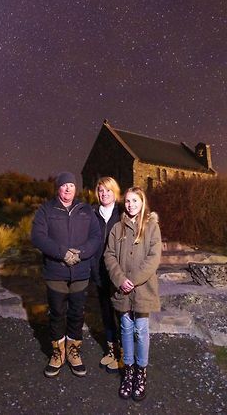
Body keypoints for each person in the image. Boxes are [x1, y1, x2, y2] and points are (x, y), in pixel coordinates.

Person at [31, 171, 100, 378]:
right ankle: (57, 353)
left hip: (80, 271)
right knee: (57, 313)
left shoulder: (86, 210)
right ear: (58, 188)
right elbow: (38, 237)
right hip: (56, 272)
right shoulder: (46, 210)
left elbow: (96, 237)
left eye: (71, 185)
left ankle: (73, 351)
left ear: (75, 188)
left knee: (77, 313)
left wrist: (81, 253)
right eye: (64, 185)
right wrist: (62, 253)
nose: (68, 188)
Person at [104, 186, 162, 401]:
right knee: (126, 329)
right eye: (127, 201)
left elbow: (154, 258)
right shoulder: (116, 229)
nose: (131, 205)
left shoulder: (151, 227)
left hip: (142, 289)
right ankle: (128, 372)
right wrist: (120, 280)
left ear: (142, 202)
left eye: (135, 201)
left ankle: (141, 372)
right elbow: (109, 256)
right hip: (122, 290)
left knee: (141, 330)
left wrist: (133, 280)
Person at [92, 177, 123, 373]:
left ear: (115, 192)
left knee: (121, 313)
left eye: (108, 190)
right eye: (101, 190)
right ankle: (111, 350)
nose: (104, 194)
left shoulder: (122, 212)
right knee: (106, 313)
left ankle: (124, 353)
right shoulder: (92, 213)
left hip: (118, 271)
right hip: (99, 270)